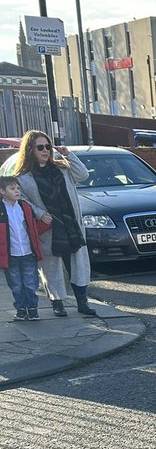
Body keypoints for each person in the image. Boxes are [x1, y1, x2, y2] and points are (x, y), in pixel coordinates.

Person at [11, 131, 97, 317]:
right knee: (51, 267)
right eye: (40, 147)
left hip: (71, 225)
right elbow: (23, 201)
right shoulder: (23, 177)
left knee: (77, 264)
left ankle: (82, 302)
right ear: (30, 150)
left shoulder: (63, 169)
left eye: (48, 146)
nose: (45, 150)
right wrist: (40, 213)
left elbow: (82, 175)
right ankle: (57, 302)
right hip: (49, 228)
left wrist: (68, 154)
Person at [0, 175, 49, 320]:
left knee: (30, 282)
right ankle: (21, 308)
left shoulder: (25, 207)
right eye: (12, 188)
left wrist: (46, 223)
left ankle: (32, 307)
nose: (17, 191)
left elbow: (33, 227)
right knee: (15, 284)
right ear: (2, 191)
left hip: (28, 252)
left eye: (18, 188)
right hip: (10, 255)